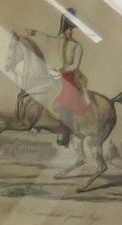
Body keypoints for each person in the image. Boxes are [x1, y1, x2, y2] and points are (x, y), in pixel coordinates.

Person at [28, 8, 87, 146]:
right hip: (60, 75)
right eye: (68, 30)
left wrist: (61, 70)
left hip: (72, 77)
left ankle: (66, 135)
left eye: (71, 30)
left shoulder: (77, 46)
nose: (70, 32)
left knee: (66, 101)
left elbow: (75, 66)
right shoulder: (61, 41)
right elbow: (48, 38)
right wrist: (34, 33)